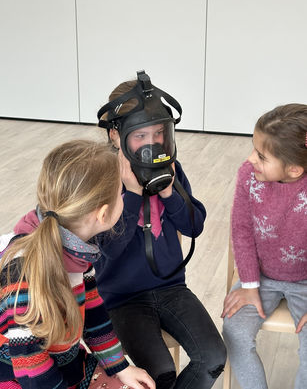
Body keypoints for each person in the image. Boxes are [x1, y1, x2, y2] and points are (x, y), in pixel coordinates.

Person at [94, 71, 227, 389]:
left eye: (158, 134)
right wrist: (132, 195)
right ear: (116, 135)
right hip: (123, 300)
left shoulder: (172, 169)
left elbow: (194, 226)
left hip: (172, 290)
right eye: (140, 136)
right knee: (161, 373)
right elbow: (106, 250)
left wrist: (169, 191)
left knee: (213, 358)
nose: (151, 144)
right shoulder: (101, 179)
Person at [0, 139, 155, 389]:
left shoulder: (78, 250)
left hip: (67, 365)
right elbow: (32, 365)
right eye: (121, 192)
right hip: (24, 379)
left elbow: (92, 311)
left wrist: (120, 366)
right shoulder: (22, 273)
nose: (124, 197)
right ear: (103, 214)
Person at [222, 104, 307, 389]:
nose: (250, 159)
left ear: (295, 169)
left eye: (261, 155)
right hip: (259, 277)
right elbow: (242, 230)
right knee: (235, 331)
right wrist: (248, 285)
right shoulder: (248, 173)